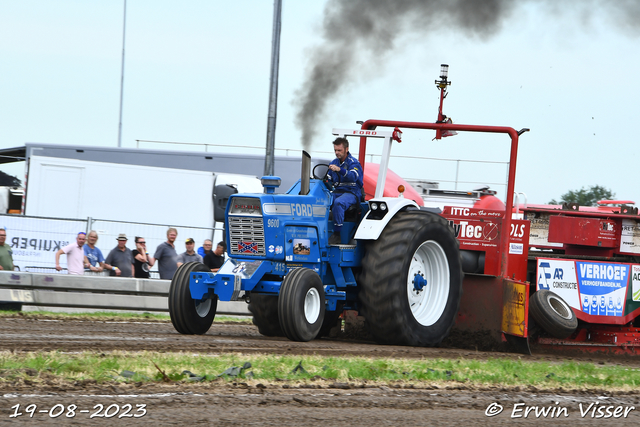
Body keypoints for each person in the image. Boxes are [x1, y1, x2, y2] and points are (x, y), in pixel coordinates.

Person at [327, 137, 364, 244]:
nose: (337, 153)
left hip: (352, 193)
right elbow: (329, 179)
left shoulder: (354, 163)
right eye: (335, 150)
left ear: (346, 149)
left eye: (339, 150)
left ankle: (337, 235)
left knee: (339, 203)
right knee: (322, 200)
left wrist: (340, 170)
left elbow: (353, 176)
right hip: (337, 192)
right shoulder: (334, 162)